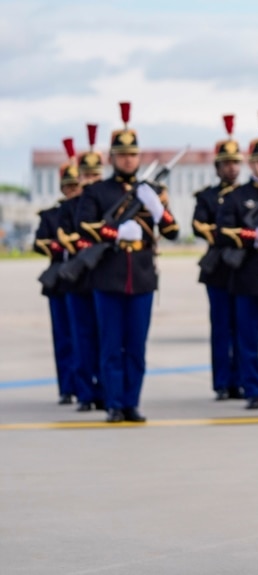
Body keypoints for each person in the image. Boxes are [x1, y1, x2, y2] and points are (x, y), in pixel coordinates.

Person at [76, 102, 180, 423]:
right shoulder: (97, 191)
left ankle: (131, 402)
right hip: (108, 276)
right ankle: (113, 404)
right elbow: (85, 226)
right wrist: (115, 232)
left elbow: (173, 231)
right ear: (111, 158)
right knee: (110, 347)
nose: (128, 159)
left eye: (132, 155)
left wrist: (158, 209)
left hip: (142, 277)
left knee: (135, 348)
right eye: (122, 155)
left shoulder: (151, 191)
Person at [217, 111, 258, 411]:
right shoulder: (236, 196)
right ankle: (252, 388)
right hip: (247, 274)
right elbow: (224, 231)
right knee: (247, 338)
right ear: (252, 164)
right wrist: (255, 236)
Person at [193, 114, 243, 401]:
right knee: (222, 327)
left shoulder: (250, 194)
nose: (232, 167)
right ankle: (223, 382)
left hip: (245, 268)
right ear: (217, 167)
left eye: (236, 162)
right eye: (227, 163)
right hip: (219, 269)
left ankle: (243, 378)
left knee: (246, 328)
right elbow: (200, 225)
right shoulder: (207, 197)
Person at [60, 124, 106, 412]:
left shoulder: (107, 201)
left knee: (106, 338)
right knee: (81, 338)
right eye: (85, 176)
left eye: (95, 175)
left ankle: (104, 390)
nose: (90, 181)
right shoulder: (68, 208)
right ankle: (84, 393)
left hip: (104, 278)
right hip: (78, 279)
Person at [34, 139, 80, 405]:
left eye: (76, 185)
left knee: (83, 335)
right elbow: (40, 242)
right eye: (68, 186)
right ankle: (66, 387)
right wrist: (58, 245)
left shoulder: (87, 209)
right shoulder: (52, 215)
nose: (72, 190)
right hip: (60, 278)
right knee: (63, 336)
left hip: (82, 278)